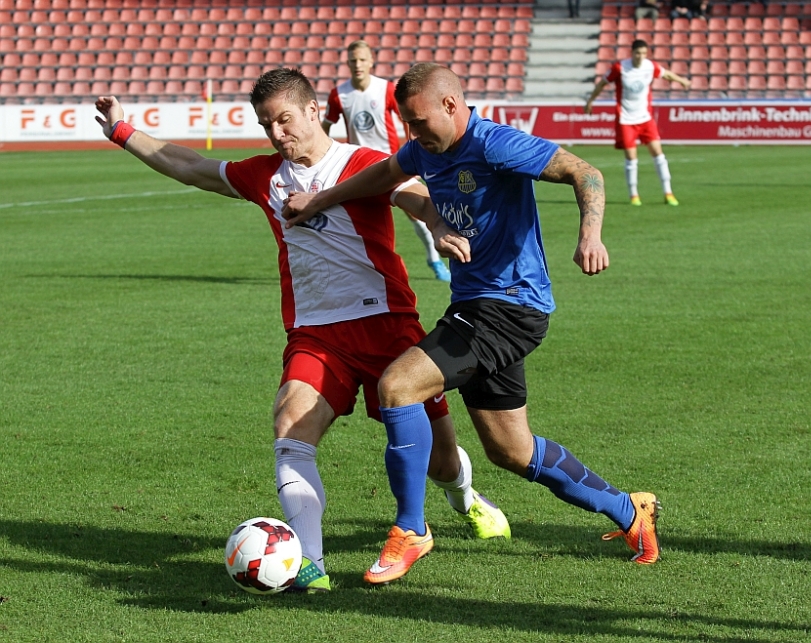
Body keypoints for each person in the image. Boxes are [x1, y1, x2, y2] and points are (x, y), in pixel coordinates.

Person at [93, 68, 510, 591]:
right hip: (316, 332)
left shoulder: (361, 163)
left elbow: (416, 197)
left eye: (284, 120)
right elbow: (190, 166)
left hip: (387, 327)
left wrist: (440, 225)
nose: (276, 133)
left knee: (441, 461)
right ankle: (309, 563)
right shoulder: (264, 175)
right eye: (266, 125)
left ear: (313, 111)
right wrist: (122, 131)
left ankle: (464, 498)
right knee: (290, 423)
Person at [282, 62, 662, 584]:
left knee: (397, 386)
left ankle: (411, 529)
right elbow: (386, 174)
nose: (413, 133)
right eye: (406, 123)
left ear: (451, 105)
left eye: (419, 122)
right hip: (481, 307)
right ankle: (630, 511)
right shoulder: (424, 148)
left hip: (508, 307)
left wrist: (589, 236)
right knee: (511, 451)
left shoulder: (495, 144)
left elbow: (586, 172)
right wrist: (320, 200)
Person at [323, 40, 452, 284]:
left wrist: (412, 150)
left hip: (393, 164)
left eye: (362, 59)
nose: (358, 64)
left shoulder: (386, 89)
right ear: (347, 63)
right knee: (359, 221)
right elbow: (325, 127)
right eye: (353, 60)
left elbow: (408, 118)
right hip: (359, 166)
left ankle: (434, 260)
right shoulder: (339, 94)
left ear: (371, 62)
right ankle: (365, 269)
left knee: (417, 213)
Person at [584, 40, 690, 207]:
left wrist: (682, 81)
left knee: (658, 153)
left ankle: (668, 193)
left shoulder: (650, 66)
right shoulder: (620, 68)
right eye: (638, 53)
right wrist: (591, 101)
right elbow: (603, 83)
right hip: (626, 119)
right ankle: (634, 195)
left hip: (645, 118)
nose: (640, 57)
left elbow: (667, 74)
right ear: (632, 53)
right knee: (631, 158)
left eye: (644, 53)